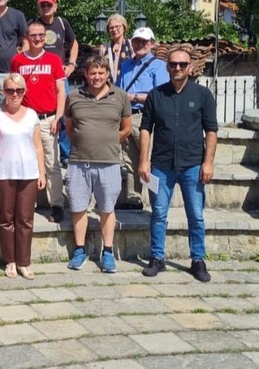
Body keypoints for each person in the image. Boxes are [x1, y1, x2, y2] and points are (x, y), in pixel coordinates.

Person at [139, 49, 218, 282]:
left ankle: (198, 260)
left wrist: (209, 162)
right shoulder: (156, 95)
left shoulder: (203, 95)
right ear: (167, 67)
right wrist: (143, 160)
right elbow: (145, 129)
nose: (178, 69)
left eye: (182, 64)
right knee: (159, 213)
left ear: (190, 67)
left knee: (195, 214)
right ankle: (157, 258)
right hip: (161, 165)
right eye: (173, 65)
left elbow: (211, 130)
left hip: (193, 164)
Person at [64, 55, 132, 274]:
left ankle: (108, 252)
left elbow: (126, 129)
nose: (97, 76)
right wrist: (84, 143)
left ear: (107, 74)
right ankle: (80, 250)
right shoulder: (74, 96)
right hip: (78, 162)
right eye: (93, 72)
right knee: (78, 208)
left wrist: (109, 142)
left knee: (107, 208)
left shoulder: (120, 96)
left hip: (109, 162)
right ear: (86, 74)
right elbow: (69, 127)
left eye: (101, 72)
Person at [0, 74, 45, 280]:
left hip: (28, 173)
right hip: (4, 173)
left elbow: (38, 146)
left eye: (19, 90)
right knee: (6, 219)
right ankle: (10, 261)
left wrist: (42, 172)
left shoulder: (32, 115)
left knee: (26, 219)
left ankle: (24, 262)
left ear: (24, 92)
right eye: (10, 90)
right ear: (4, 92)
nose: (15, 94)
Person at [10, 20, 66, 223]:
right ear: (27, 37)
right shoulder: (17, 61)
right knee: (26, 162)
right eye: (33, 35)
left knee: (52, 163)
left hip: (47, 118)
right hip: (26, 119)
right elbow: (13, 89)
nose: (37, 39)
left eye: (41, 35)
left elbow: (61, 91)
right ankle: (27, 204)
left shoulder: (53, 60)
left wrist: (58, 117)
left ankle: (57, 204)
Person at [117, 27, 169, 209]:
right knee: (130, 160)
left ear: (152, 44)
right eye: (137, 41)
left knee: (150, 160)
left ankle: (157, 200)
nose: (140, 44)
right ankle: (133, 199)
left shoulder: (158, 66)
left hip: (145, 117)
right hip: (127, 117)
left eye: (144, 42)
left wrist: (135, 97)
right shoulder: (126, 66)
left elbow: (161, 94)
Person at [34, 0, 79, 168]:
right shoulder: (34, 24)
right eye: (42, 5)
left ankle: (66, 155)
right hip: (40, 75)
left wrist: (72, 64)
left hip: (59, 76)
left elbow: (74, 42)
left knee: (65, 113)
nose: (46, 8)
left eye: (49, 5)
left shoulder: (62, 23)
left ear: (55, 6)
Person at [98, 14, 134, 84]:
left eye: (117, 26)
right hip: (109, 87)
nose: (114, 30)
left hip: (127, 85)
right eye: (111, 27)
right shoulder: (104, 47)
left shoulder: (131, 45)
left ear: (124, 27)